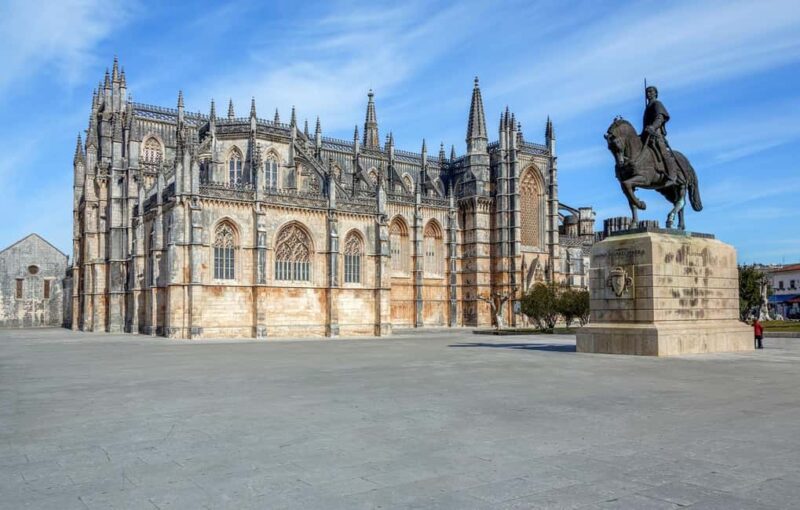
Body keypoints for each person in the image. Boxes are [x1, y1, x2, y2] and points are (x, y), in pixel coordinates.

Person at [642, 86, 679, 186]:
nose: (648, 93)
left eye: (650, 91)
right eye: (647, 92)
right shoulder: (647, 108)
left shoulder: (657, 104)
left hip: (656, 134)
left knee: (663, 152)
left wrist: (653, 127)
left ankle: (672, 176)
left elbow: (660, 118)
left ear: (655, 93)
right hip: (646, 135)